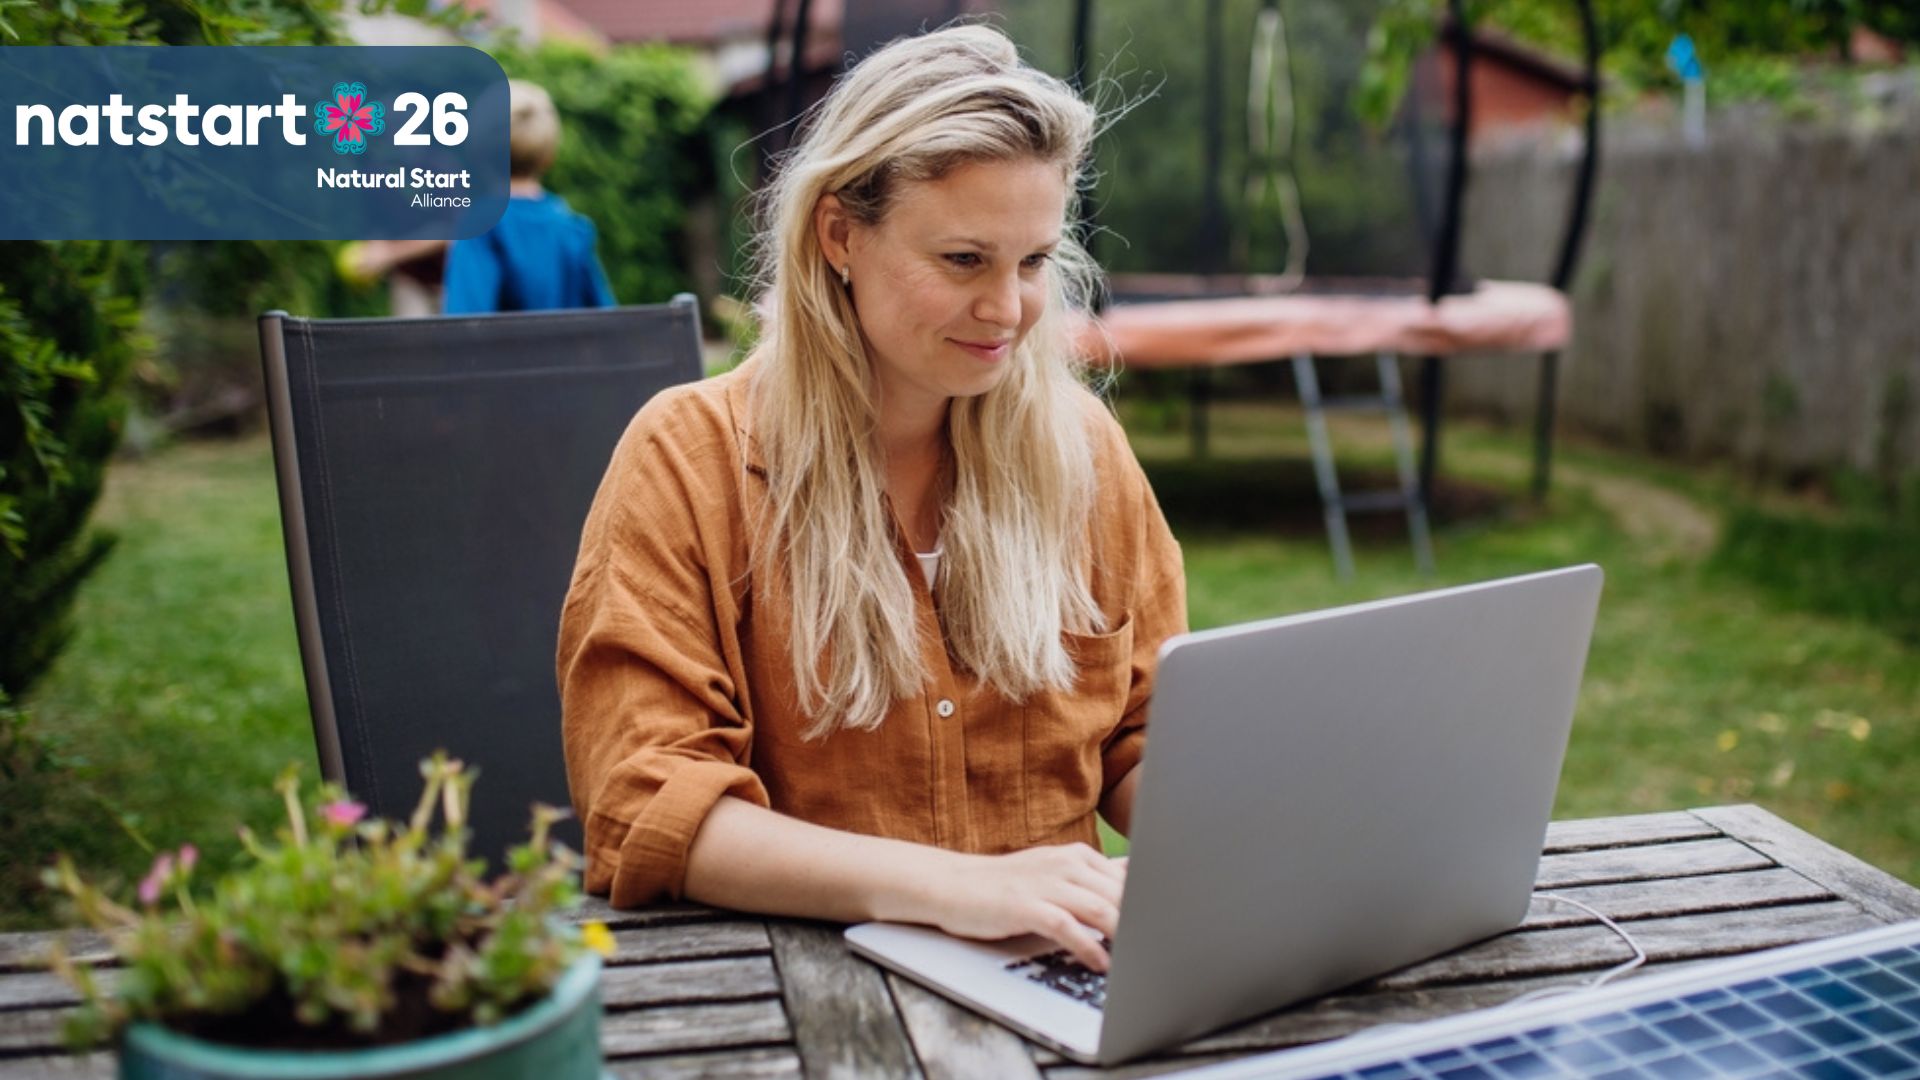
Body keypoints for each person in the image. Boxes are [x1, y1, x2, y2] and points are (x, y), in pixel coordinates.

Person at [557, 25, 1185, 973]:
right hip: (798, 989)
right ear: (840, 235)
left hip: (1065, 973)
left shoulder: (1082, 452)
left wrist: (1257, 826)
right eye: (965, 260)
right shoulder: (692, 459)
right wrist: (958, 887)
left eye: (1032, 262)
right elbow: (647, 805)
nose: (1009, 309)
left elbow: (1142, 737)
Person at [442, 79, 616, 314]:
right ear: (549, 155)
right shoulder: (571, 227)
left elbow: (464, 325)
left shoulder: (480, 229)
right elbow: (608, 320)